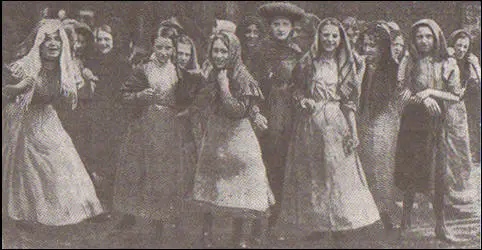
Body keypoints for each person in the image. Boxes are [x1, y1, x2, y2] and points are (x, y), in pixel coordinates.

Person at [278, 17, 380, 243]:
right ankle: (318, 223)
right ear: (318, 36)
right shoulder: (307, 62)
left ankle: (341, 223)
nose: (330, 40)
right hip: (310, 124)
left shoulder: (345, 64)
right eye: (326, 35)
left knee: (338, 174)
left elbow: (350, 102)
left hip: (335, 122)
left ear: (340, 38)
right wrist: (302, 99)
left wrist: (353, 133)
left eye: (334, 36)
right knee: (314, 173)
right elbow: (295, 89)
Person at [2, 19, 103, 234]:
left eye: (57, 39)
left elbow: (73, 99)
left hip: (47, 117)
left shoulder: (65, 68)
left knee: (61, 157)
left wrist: (84, 84)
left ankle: (64, 210)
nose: (53, 44)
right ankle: (27, 213)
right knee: (28, 163)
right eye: (47, 40)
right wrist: (19, 87)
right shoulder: (23, 66)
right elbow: (5, 93)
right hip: (22, 118)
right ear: (38, 44)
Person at [185, 31, 273, 248]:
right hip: (215, 134)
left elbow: (238, 110)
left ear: (233, 52)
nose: (219, 55)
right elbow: (200, 99)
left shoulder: (242, 76)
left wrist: (224, 87)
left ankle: (241, 237)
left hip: (237, 136)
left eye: (224, 51)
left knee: (242, 185)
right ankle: (206, 234)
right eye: (215, 50)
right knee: (210, 183)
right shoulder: (211, 72)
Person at [112, 29, 197, 246]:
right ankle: (140, 218)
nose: (164, 52)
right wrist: (139, 96)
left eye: (168, 47)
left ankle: (164, 220)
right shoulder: (143, 69)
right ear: (153, 47)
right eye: (159, 47)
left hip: (170, 126)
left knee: (166, 172)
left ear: (174, 49)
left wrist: (185, 108)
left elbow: (189, 97)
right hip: (147, 125)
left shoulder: (178, 71)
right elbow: (122, 94)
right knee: (144, 170)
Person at [395, 19, 466, 243]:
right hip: (412, 123)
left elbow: (455, 95)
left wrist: (430, 93)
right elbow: (402, 90)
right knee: (411, 170)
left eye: (428, 36)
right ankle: (405, 221)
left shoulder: (447, 62)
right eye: (419, 36)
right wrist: (416, 97)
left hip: (436, 124)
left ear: (436, 38)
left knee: (437, 174)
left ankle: (440, 225)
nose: (424, 41)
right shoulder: (409, 60)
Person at [256, 2, 305, 233]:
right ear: (270, 27)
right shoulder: (260, 50)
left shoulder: (297, 52)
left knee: (285, 161)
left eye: (285, 24)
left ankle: (278, 217)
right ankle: (260, 213)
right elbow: (252, 81)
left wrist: (297, 93)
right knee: (266, 159)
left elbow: (302, 82)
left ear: (292, 27)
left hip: (289, 111)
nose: (281, 29)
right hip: (266, 107)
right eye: (276, 24)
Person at [357, 22, 401, 231]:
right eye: (365, 45)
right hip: (362, 117)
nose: (368, 50)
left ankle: (384, 211)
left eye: (373, 46)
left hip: (383, 119)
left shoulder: (392, 68)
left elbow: (392, 97)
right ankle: (365, 211)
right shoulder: (359, 66)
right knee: (363, 164)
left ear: (382, 48)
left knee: (381, 165)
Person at [87, 24, 132, 210]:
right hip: (98, 112)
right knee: (98, 153)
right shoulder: (93, 60)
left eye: (107, 39)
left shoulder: (121, 63)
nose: (103, 43)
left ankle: (113, 202)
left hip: (115, 113)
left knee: (112, 154)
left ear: (114, 41)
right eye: (99, 39)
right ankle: (100, 200)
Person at [443, 29, 480, 205]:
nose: (462, 49)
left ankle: (462, 185)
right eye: (459, 45)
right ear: (452, 44)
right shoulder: (447, 60)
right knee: (448, 148)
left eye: (465, 46)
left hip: (460, 109)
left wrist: (476, 67)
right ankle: (449, 189)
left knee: (462, 146)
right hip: (446, 106)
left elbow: (476, 84)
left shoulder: (469, 62)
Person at [235, 15, 264, 80]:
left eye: (255, 32)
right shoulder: (236, 55)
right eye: (248, 32)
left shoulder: (263, 57)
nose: (251, 36)